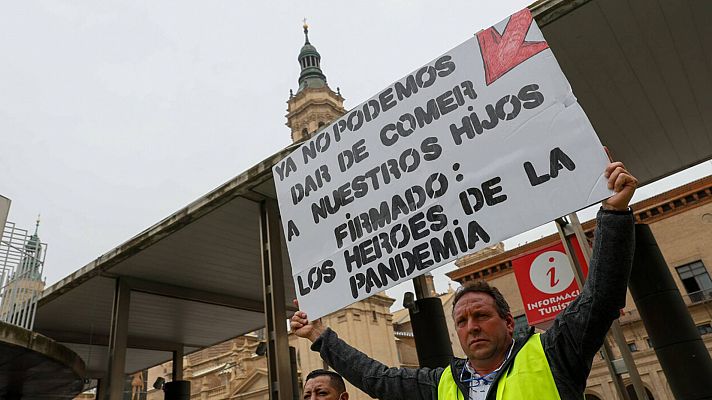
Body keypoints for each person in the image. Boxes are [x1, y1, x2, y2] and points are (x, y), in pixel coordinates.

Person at [291, 161, 638, 400]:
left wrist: (614, 214)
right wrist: (320, 337)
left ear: (507, 321)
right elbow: (376, 378)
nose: (471, 326)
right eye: (462, 320)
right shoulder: (443, 383)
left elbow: (601, 298)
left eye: (481, 316)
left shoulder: (552, 353)